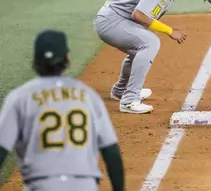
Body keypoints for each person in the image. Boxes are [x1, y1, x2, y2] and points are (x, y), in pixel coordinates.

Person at [0, 30, 124, 191]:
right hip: (84, 186)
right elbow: (111, 152)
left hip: (41, 186)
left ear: (35, 60)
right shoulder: (88, 96)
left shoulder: (20, 97)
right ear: (67, 57)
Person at [94, 0, 211, 114]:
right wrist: (170, 31)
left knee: (140, 46)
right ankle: (129, 100)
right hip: (112, 22)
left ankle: (121, 91)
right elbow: (139, 15)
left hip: (111, 17)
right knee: (150, 43)